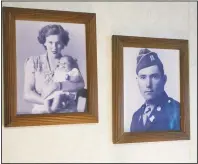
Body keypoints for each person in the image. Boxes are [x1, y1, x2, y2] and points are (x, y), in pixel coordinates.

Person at [23, 24, 85, 114]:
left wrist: (58, 85)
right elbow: (27, 94)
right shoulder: (33, 62)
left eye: (58, 43)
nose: (54, 47)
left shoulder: (69, 62)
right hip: (42, 111)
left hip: (68, 111)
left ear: (63, 44)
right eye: (50, 42)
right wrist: (49, 103)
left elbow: (80, 84)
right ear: (44, 42)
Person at [130, 48, 180, 132]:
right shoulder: (136, 116)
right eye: (143, 77)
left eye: (154, 76)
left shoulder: (177, 111)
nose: (148, 84)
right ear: (137, 80)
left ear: (164, 80)